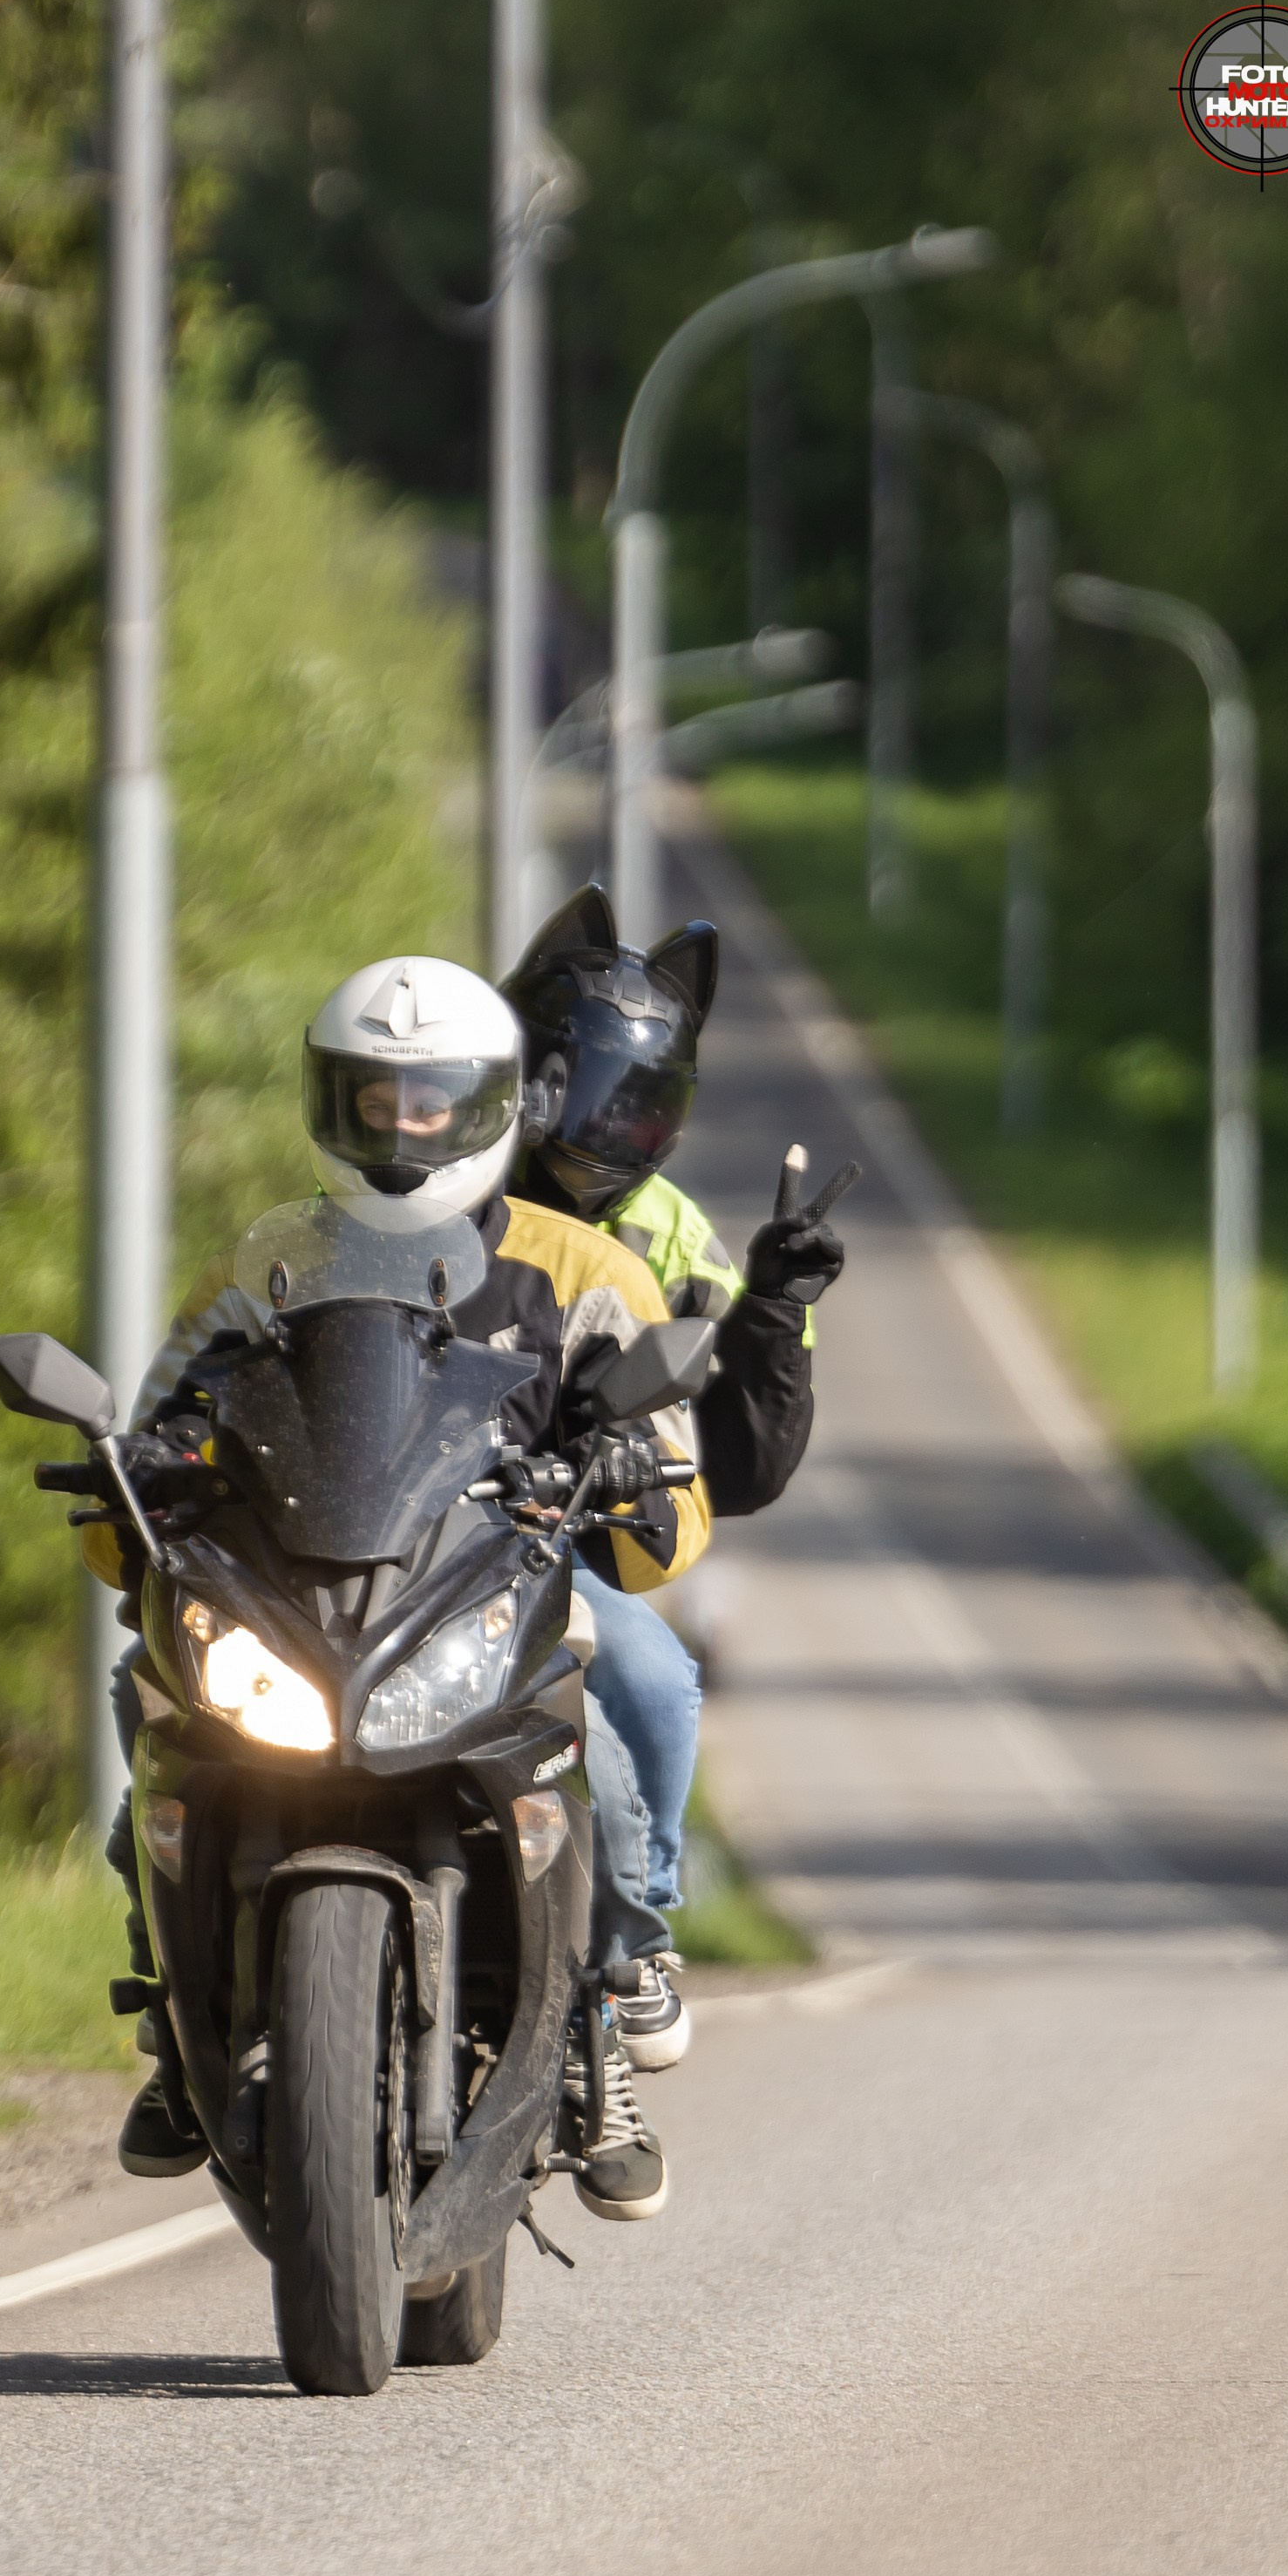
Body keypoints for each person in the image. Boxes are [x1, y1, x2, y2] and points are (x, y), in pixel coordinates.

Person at [94, 953, 708, 2220]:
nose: (404, 1127)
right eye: (376, 1100)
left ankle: (600, 2015)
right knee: (145, 1691)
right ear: (332, 1104)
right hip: (303, 1588)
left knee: (601, 1706)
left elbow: (672, 1505)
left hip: (493, 1584)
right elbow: (168, 1414)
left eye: (431, 1101)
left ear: (493, 1108)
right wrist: (132, 1467)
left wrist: (632, 1467)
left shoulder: (586, 1268)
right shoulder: (271, 1256)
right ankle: (174, 2014)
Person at [502, 885, 848, 2068]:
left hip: (546, 1549)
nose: (610, 1133)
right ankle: (181, 1965)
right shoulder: (432, 1181)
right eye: (592, 1094)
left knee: (651, 1678)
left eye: (643, 1111)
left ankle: (635, 1934)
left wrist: (774, 1315)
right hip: (381, 1524)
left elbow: (737, 1472)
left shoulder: (669, 1237)